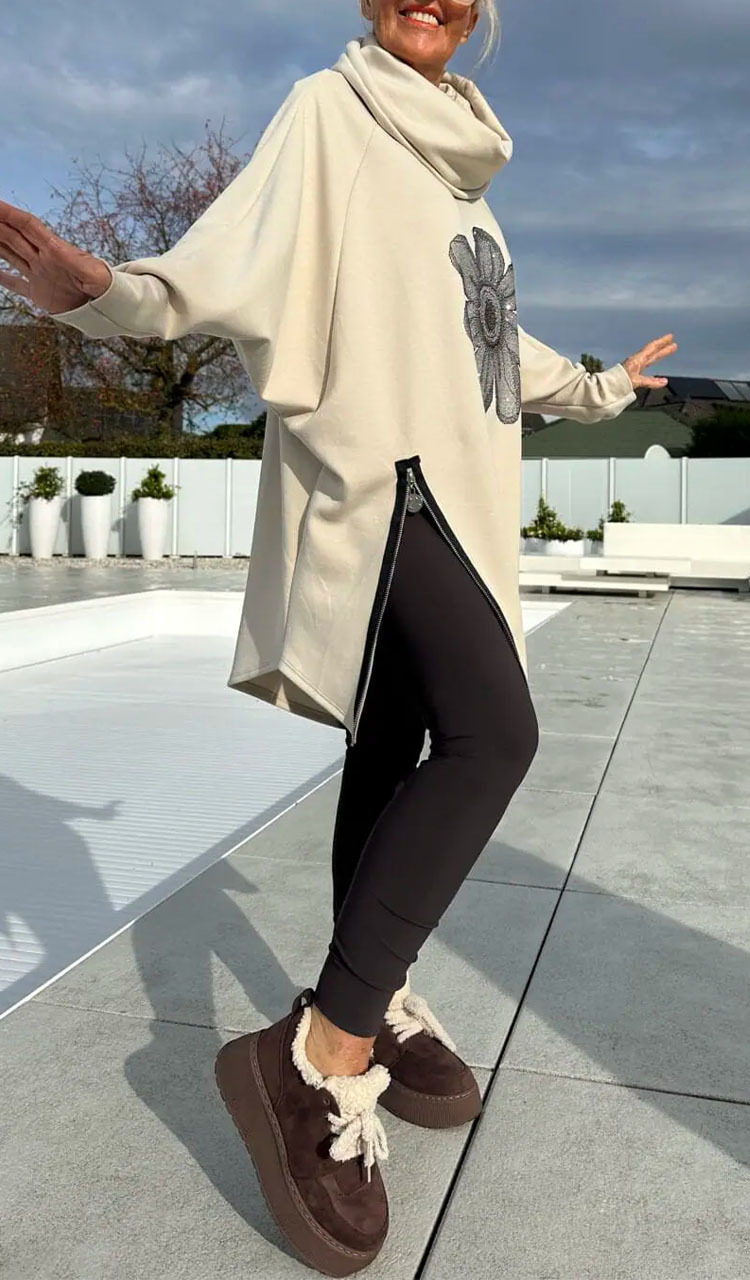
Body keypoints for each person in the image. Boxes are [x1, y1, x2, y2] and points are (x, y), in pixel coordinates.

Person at [0, 1, 677, 1272]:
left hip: (466, 493)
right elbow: (226, 260)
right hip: (387, 479)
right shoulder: (332, 110)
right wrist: (106, 296)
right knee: (494, 738)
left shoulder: (469, 179)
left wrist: (605, 388)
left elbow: (490, 345)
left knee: (402, 737)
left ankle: (377, 980)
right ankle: (319, 1052)